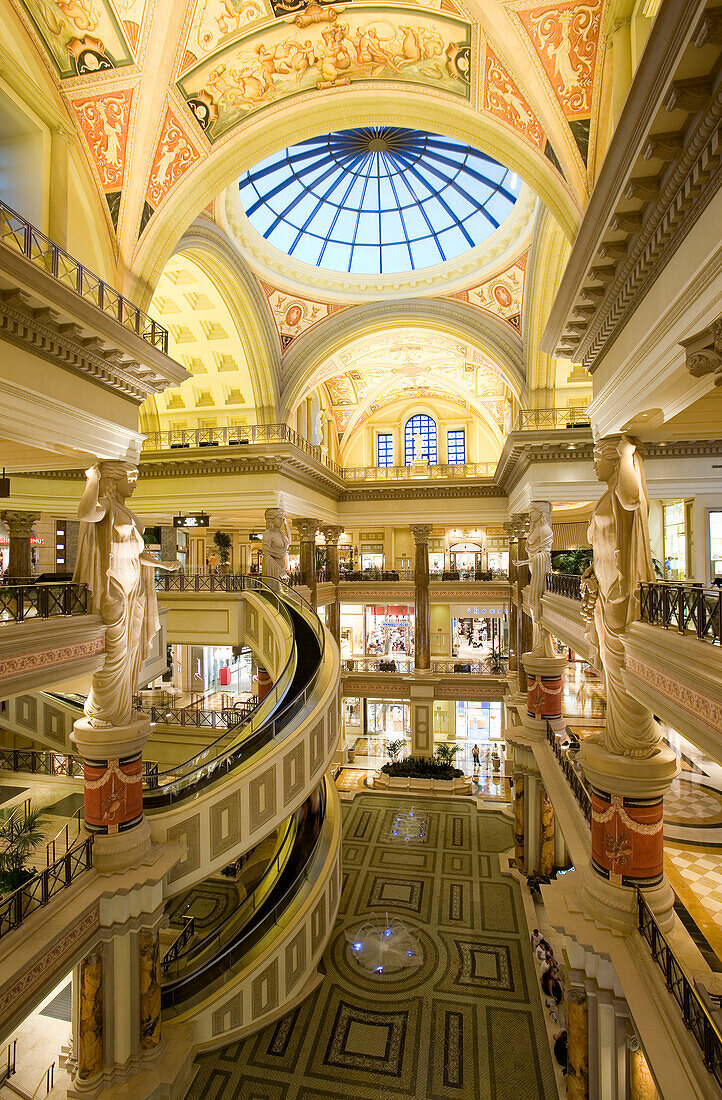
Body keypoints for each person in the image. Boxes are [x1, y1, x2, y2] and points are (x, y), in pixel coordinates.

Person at [74, 461, 182, 728]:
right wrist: (92, 480)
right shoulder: (107, 506)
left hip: (135, 589)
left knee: (131, 649)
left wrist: (161, 563)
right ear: (114, 479)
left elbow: (136, 552)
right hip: (114, 587)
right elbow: (86, 513)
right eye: (131, 477)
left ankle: (120, 709)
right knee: (115, 651)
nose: (135, 482)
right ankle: (101, 710)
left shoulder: (126, 511)